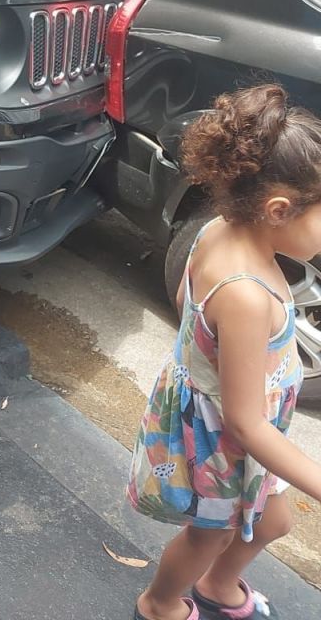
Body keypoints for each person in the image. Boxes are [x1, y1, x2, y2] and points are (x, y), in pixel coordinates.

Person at [128, 84, 321, 620]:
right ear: (279, 210)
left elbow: (190, 302)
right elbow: (244, 420)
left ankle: (217, 586)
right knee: (208, 535)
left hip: (239, 425)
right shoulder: (244, 293)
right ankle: (161, 601)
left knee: (275, 521)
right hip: (222, 440)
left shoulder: (218, 228)